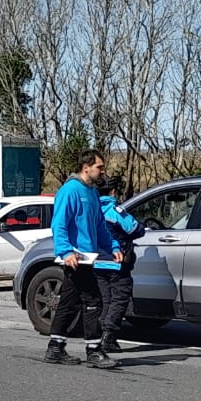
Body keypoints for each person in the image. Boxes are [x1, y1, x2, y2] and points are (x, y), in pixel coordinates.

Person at [43, 150, 122, 369]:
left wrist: (112, 246)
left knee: (69, 302)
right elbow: (58, 224)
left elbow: (99, 226)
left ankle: (55, 348)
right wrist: (66, 251)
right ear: (86, 167)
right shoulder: (70, 191)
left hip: (88, 258)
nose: (102, 171)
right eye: (99, 167)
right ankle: (94, 351)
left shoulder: (93, 193)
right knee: (93, 301)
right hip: (76, 258)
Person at [93, 176, 144, 352]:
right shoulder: (114, 211)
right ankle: (109, 336)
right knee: (120, 298)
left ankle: (102, 336)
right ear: (113, 192)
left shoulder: (93, 210)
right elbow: (135, 229)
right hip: (116, 262)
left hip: (96, 262)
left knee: (106, 299)